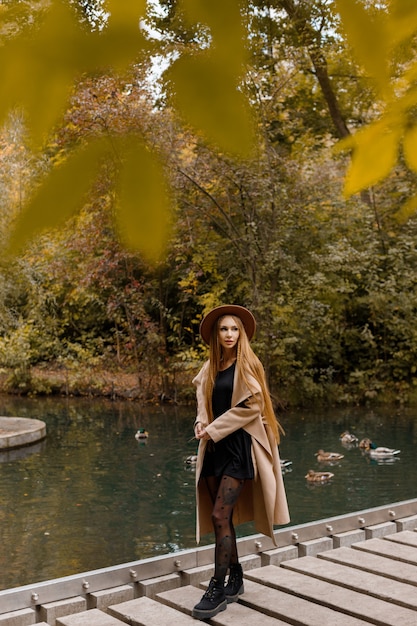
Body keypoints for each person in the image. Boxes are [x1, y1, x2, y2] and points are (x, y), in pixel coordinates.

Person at [191, 304, 290, 620]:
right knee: (223, 518)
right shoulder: (210, 368)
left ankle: (217, 586)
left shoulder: (248, 365)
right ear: (216, 335)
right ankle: (236, 577)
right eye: (224, 329)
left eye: (234, 329)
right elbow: (204, 404)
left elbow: (253, 406)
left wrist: (214, 429)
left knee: (220, 514)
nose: (229, 334)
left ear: (241, 333)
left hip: (238, 448)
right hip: (213, 449)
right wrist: (200, 423)